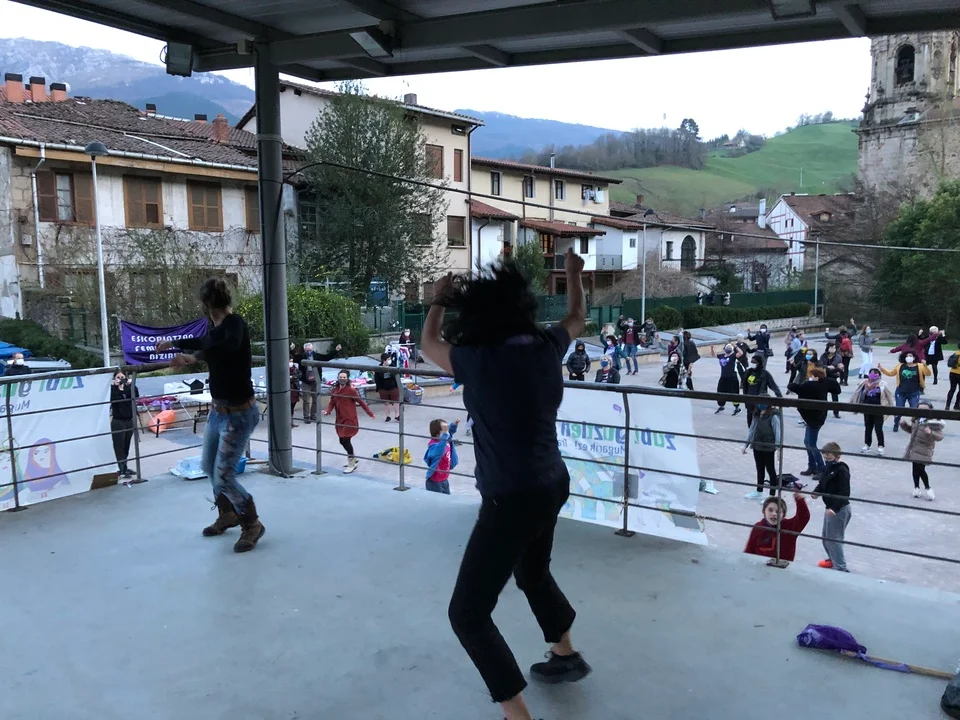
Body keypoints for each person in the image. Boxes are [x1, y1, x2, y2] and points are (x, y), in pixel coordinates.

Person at [420, 249, 590, 720]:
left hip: (510, 497)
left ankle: (517, 714)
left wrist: (438, 300)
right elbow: (578, 317)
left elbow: (428, 343)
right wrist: (573, 275)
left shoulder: (476, 359)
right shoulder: (546, 344)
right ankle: (565, 653)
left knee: (467, 614)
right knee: (532, 573)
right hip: (552, 482)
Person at [157, 278, 264, 553]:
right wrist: (175, 343)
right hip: (219, 412)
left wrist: (194, 357)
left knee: (224, 475)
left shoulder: (235, 324)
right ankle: (227, 514)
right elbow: (205, 341)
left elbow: (227, 346)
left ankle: (252, 523)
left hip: (239, 414)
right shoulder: (214, 330)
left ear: (206, 304)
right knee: (208, 466)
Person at [323, 370, 375, 473]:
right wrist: (327, 411)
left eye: (344, 377)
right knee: (344, 441)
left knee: (344, 440)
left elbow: (361, 402)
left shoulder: (351, 391)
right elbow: (332, 402)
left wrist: (370, 413)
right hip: (340, 419)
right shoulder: (335, 390)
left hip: (349, 419)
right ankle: (353, 458)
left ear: (347, 379)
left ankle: (351, 463)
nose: (342, 379)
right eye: (340, 377)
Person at [811, 441, 851, 572]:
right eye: (825, 458)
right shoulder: (828, 468)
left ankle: (840, 567)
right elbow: (823, 482)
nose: (826, 460)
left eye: (829, 457)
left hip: (839, 510)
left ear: (837, 456)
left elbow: (845, 492)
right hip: (829, 508)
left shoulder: (842, 470)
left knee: (834, 539)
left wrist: (834, 508)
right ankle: (833, 559)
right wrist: (816, 492)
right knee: (825, 538)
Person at [788, 366, 829, 477]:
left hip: (814, 418)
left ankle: (821, 468)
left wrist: (796, 380)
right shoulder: (823, 385)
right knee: (807, 442)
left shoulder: (811, 385)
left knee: (811, 444)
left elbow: (793, 387)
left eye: (811, 376)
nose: (809, 377)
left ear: (816, 377)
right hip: (813, 418)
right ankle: (812, 467)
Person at [743, 493, 810, 562]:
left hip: (782, 566)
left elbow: (803, 518)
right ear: (763, 511)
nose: (774, 514)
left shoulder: (790, 527)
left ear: (783, 514)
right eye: (770, 510)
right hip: (760, 565)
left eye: (778, 511)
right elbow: (750, 548)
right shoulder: (758, 527)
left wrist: (800, 500)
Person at [901, 401, 943, 501]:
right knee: (915, 468)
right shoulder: (916, 419)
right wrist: (904, 426)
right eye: (920, 409)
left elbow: (940, 436)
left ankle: (928, 488)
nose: (922, 412)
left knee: (920, 469)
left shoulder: (933, 422)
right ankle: (916, 488)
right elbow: (913, 431)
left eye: (925, 410)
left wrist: (931, 432)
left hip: (925, 449)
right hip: (914, 447)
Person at [879, 352, 931, 433]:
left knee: (914, 410)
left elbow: (928, 373)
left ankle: (914, 426)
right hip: (901, 392)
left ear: (914, 358)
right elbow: (891, 373)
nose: (908, 357)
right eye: (907, 356)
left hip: (914, 392)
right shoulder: (900, 366)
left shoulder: (919, 366)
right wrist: (882, 369)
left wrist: (925, 365)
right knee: (899, 409)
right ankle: (896, 423)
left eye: (910, 356)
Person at [742, 404, 781, 499]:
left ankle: (772, 495)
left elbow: (777, 432)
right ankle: (759, 491)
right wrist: (746, 445)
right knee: (760, 469)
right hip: (757, 445)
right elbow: (752, 430)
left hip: (768, 446)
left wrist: (778, 447)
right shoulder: (756, 414)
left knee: (770, 470)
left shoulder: (773, 416)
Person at [852, 369, 892, 455]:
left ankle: (880, 446)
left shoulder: (882, 384)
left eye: (875, 373)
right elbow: (859, 394)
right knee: (868, 428)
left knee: (878, 429)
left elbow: (888, 397)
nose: (873, 375)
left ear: (879, 375)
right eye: (871, 373)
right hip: (867, 409)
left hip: (879, 410)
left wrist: (889, 408)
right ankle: (867, 445)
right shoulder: (864, 383)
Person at [110, 370, 138, 480]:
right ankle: (120, 468)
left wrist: (131, 385)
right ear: (114, 379)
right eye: (118, 377)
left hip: (129, 420)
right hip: (118, 421)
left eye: (122, 377)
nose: (121, 379)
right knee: (119, 446)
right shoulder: (113, 390)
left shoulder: (128, 388)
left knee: (126, 445)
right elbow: (115, 400)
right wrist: (118, 388)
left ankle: (124, 467)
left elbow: (136, 395)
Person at [741, 355, 782, 428]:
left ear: (759, 363)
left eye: (754, 362)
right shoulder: (748, 372)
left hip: (760, 399)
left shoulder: (765, 373)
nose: (752, 364)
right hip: (749, 399)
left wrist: (779, 396)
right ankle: (751, 431)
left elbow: (773, 385)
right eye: (751, 362)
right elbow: (744, 385)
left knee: (759, 417)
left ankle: (759, 431)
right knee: (750, 416)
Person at [424, 418, 460, 495]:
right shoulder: (433, 445)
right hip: (434, 481)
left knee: (446, 498)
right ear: (437, 433)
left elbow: (450, 431)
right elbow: (439, 451)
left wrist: (454, 425)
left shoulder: (446, 439)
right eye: (444, 430)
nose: (447, 432)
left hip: (444, 478)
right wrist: (445, 435)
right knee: (436, 500)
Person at [712, 344, 742, 415]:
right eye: (727, 347)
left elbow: (741, 353)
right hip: (723, 377)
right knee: (720, 391)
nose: (728, 349)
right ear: (724, 349)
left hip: (732, 377)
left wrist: (736, 347)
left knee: (734, 392)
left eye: (730, 348)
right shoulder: (721, 356)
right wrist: (712, 348)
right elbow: (713, 355)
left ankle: (737, 408)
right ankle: (721, 405)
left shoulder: (733, 356)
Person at [374, 352, 401, 422]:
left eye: (390, 359)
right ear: (384, 360)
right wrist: (379, 389)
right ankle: (387, 416)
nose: (390, 360)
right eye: (388, 359)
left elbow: (397, 376)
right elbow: (377, 379)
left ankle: (397, 415)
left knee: (396, 402)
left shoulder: (393, 366)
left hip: (393, 387)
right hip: (383, 389)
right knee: (386, 403)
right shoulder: (378, 368)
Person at [821, 342, 844, 419]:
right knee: (823, 395)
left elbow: (839, 366)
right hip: (825, 377)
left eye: (834, 348)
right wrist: (828, 367)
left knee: (835, 395)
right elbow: (820, 365)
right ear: (828, 348)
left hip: (833, 377)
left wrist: (839, 367)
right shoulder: (823, 356)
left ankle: (836, 412)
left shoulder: (838, 356)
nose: (833, 349)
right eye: (831, 347)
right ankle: (823, 411)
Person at [288, 356, 301, 428]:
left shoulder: (295, 368)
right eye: (290, 361)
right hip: (288, 390)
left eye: (292, 361)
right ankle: (287, 423)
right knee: (287, 407)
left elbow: (299, 374)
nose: (291, 363)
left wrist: (293, 377)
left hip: (294, 389)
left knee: (292, 407)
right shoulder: (284, 369)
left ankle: (291, 422)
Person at [947, 342, 960, 411]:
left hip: (952, 372)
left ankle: (947, 405)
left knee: (952, 389)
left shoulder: (955, 353)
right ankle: (956, 405)